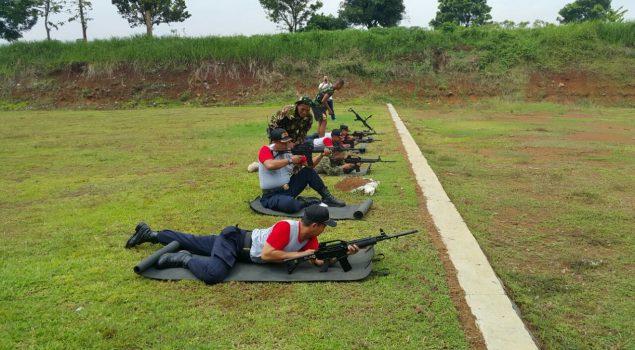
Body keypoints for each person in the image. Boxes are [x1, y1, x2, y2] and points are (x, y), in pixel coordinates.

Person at [125, 205, 360, 284]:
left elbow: (317, 259)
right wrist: (302, 253)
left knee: (192, 239)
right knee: (213, 275)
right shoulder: (285, 228)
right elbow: (268, 255)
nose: (326, 229)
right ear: (316, 225)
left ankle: (151, 234)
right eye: (325, 225)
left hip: (239, 245)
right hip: (236, 243)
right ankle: (182, 258)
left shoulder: (311, 238)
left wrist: (341, 253)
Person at [258, 128, 346, 213]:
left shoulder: (289, 151)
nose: (286, 145)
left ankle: (327, 197)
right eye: (283, 143)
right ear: (274, 142)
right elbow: (269, 165)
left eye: (288, 142)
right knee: (291, 205)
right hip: (271, 195)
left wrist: (321, 155)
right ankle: (305, 201)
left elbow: (310, 165)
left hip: (289, 188)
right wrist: (290, 160)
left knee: (308, 172)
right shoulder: (266, 150)